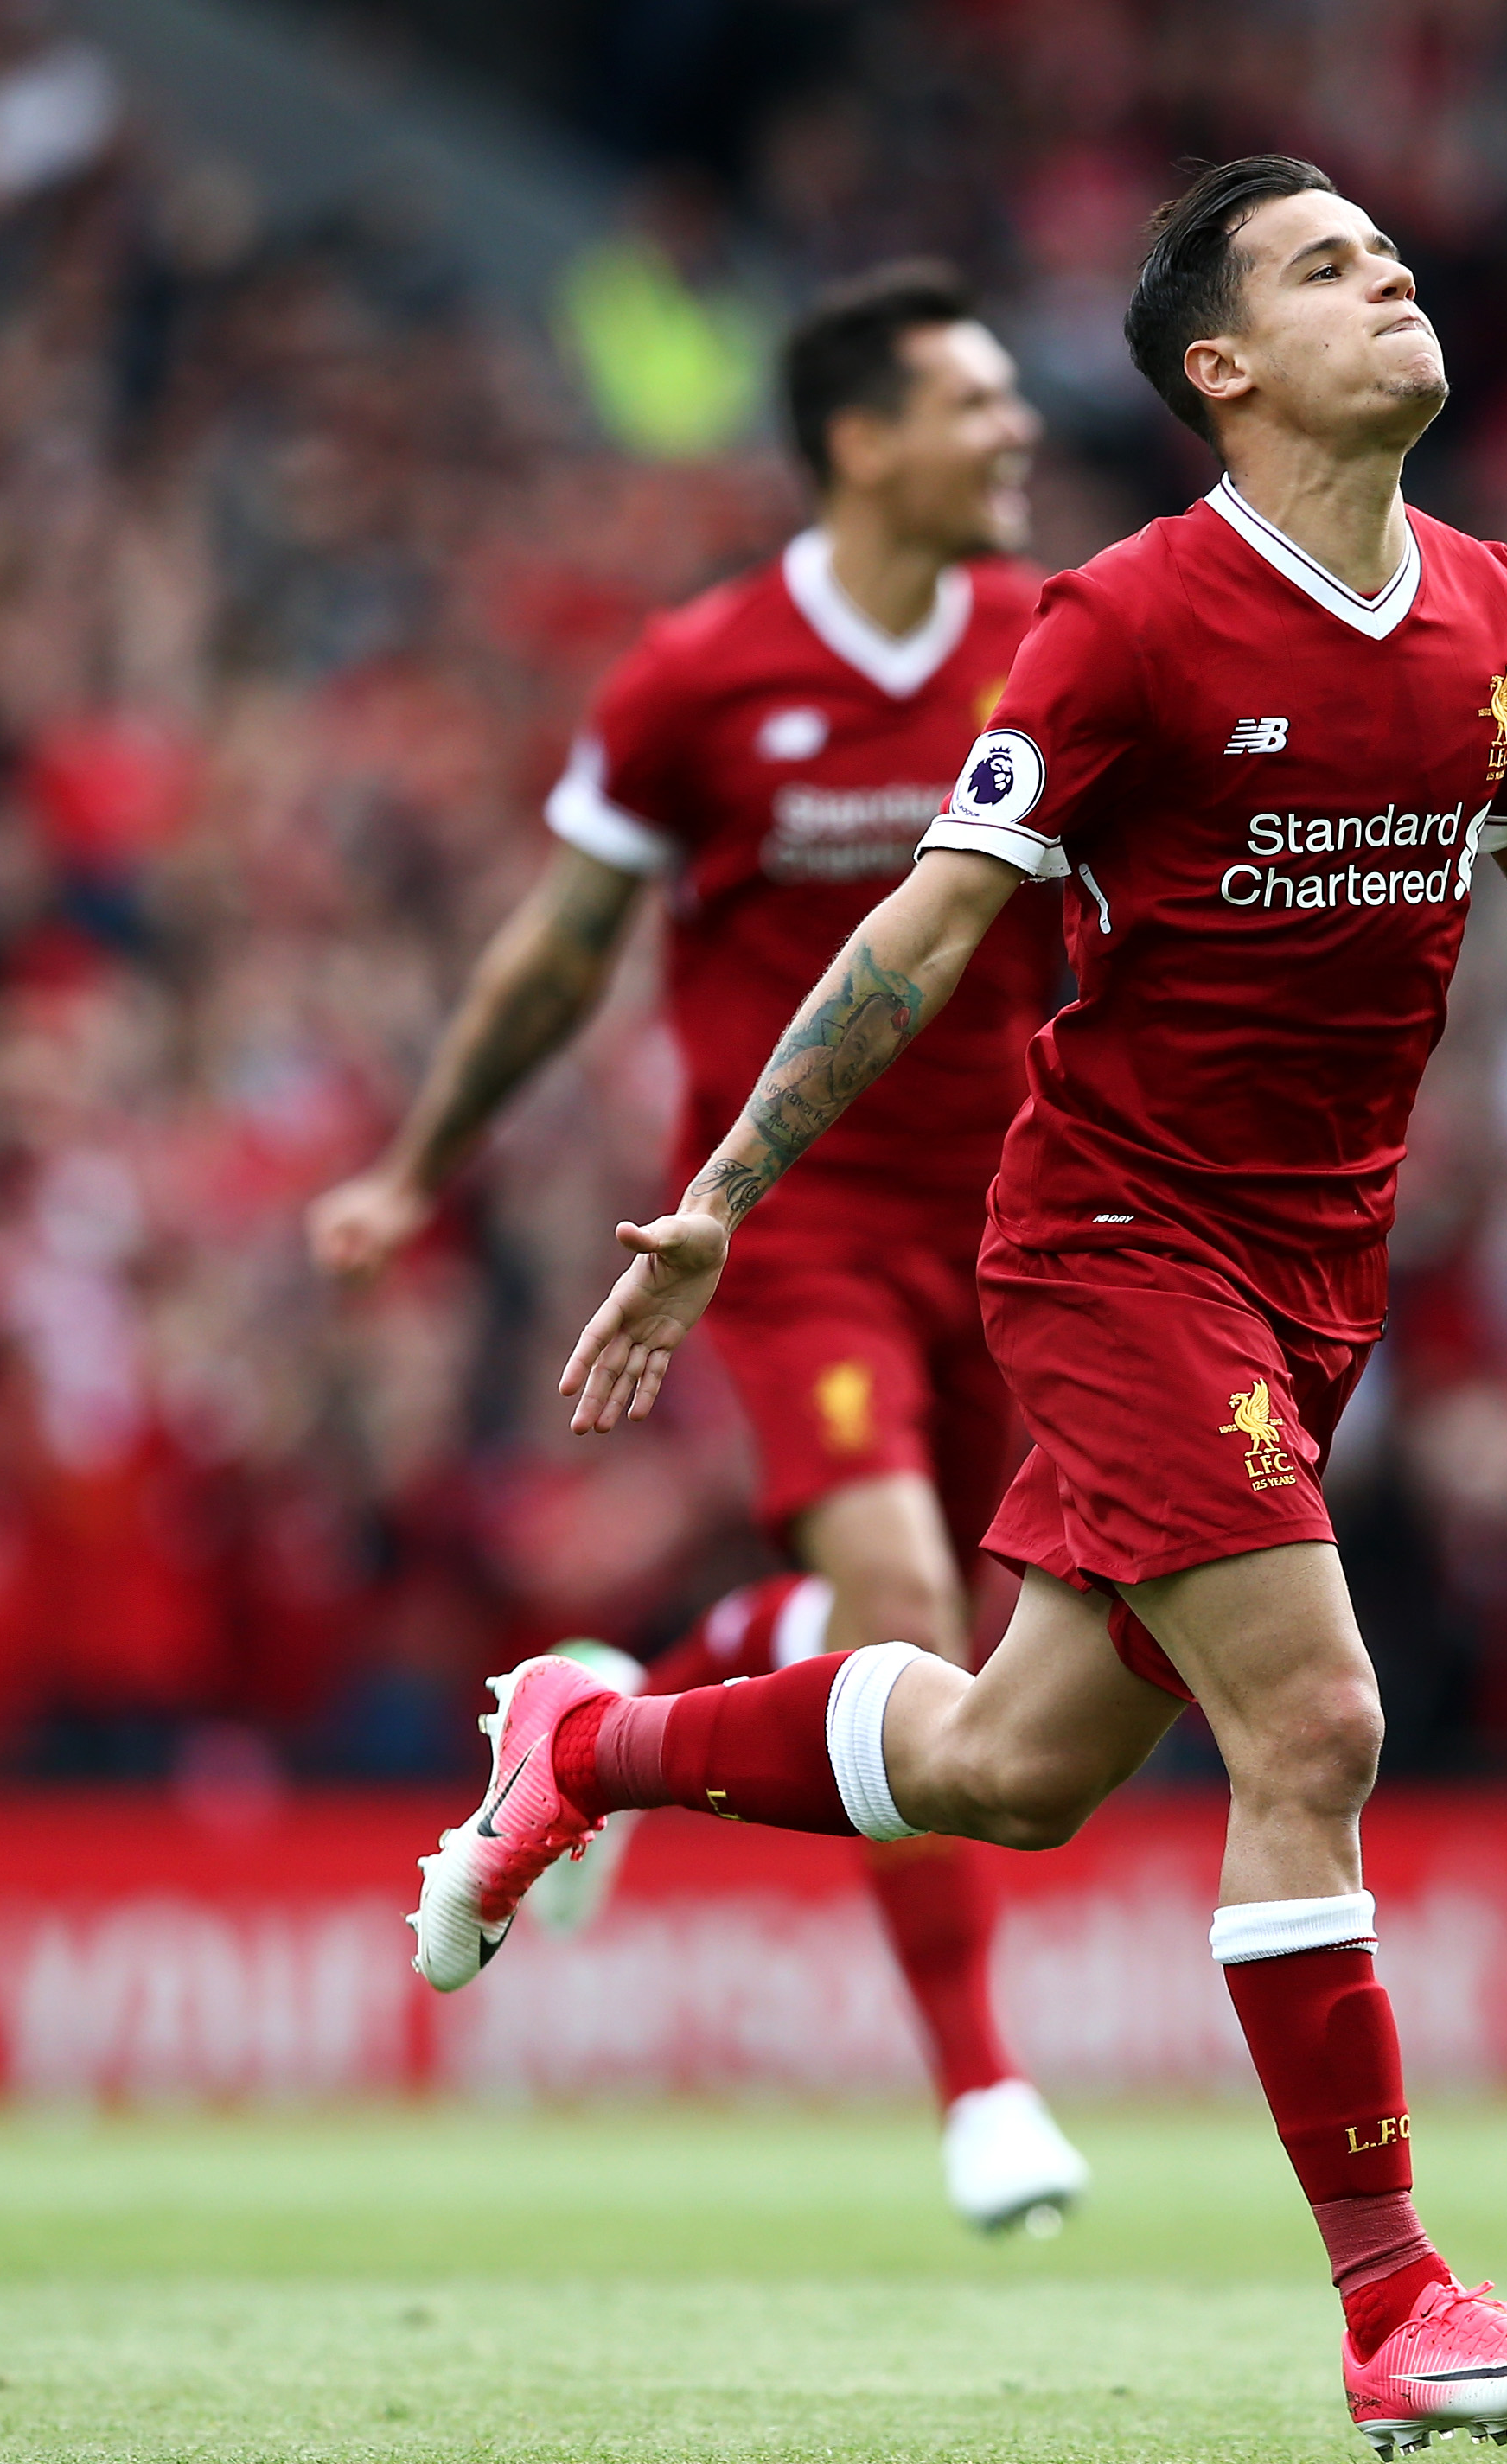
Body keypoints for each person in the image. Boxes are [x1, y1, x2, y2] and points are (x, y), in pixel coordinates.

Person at [409, 159, 1507, 2457]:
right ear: (1219, 371)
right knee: (1313, 1728)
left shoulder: (1498, 617)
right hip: (1119, 1248)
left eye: (1396, 255)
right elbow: (932, 925)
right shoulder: (1128, 623)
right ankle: (1393, 2298)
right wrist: (730, 1189)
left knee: (1006, 1769)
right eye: (1331, 267)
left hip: (1314, 1281)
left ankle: (590, 1744)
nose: (1397, 280)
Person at [309, 264, 1087, 2235]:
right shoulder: (698, 675)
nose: (1015, 433)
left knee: (951, 1660)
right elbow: (561, 946)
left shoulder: (1051, 641)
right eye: (973, 402)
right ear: (861, 439)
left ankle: (604, 1716)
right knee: (901, 1606)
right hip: (794, 1214)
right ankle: (982, 2089)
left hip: (1017, 1220)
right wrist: (414, 1169)